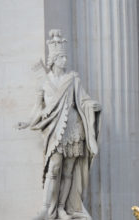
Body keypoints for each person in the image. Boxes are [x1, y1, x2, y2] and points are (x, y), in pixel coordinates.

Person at [17, 29, 101, 220]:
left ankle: (63, 208)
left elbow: (83, 99)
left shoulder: (73, 78)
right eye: (61, 57)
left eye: (65, 57)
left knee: (69, 171)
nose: (65, 60)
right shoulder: (44, 82)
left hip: (74, 127)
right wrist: (28, 122)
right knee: (54, 168)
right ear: (54, 59)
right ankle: (47, 207)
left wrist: (91, 106)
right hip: (54, 129)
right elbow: (38, 108)